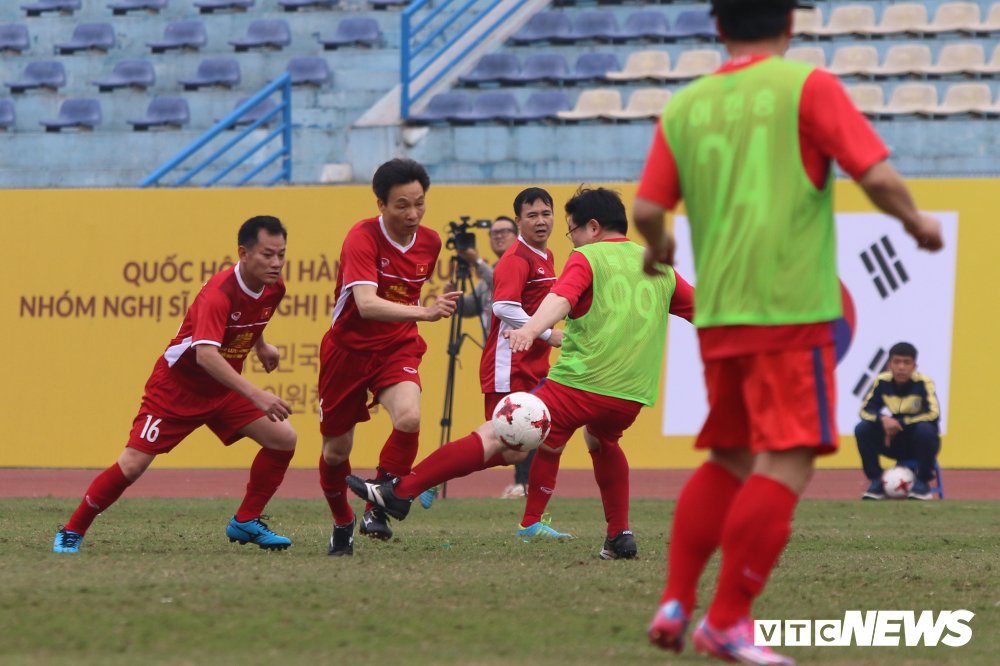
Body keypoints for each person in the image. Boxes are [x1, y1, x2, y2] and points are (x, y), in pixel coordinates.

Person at [632, 1, 945, 662]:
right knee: (791, 458)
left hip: (718, 316)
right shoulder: (807, 86)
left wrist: (658, 248)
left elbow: (648, 209)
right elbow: (877, 174)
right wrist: (918, 224)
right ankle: (727, 619)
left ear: (718, 28)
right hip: (788, 312)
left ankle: (676, 600)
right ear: (791, 26)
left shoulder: (686, 105)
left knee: (730, 457)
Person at [345, 187, 694, 560]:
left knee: (498, 432)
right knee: (601, 442)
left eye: (571, 229)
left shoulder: (587, 256)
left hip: (580, 383)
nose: (571, 238)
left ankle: (401, 491)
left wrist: (531, 330)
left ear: (592, 228)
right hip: (631, 394)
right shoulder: (659, 265)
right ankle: (619, 535)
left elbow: (559, 299)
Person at [53, 216, 298, 553]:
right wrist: (257, 395)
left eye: (281, 254)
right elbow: (206, 356)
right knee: (132, 464)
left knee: (283, 439)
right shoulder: (218, 293)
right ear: (243, 252)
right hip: (177, 389)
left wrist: (261, 346)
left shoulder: (275, 286)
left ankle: (245, 521)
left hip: (221, 389)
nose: (276, 263)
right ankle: (72, 529)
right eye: (267, 255)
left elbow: (251, 318)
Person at [318, 158, 461, 557]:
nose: (413, 214)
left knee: (410, 417)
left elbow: (409, 296)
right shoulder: (361, 238)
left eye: (419, 203)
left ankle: (376, 507)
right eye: (402, 205)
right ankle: (342, 521)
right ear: (380, 204)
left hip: (396, 346)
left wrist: (422, 312)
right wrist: (426, 312)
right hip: (347, 352)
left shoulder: (430, 242)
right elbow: (365, 304)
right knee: (335, 453)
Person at [856, 342, 941, 501]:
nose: (901, 367)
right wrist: (883, 419)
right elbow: (864, 411)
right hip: (892, 442)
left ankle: (922, 484)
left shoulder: (924, 383)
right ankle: (876, 482)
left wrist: (899, 423)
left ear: (914, 365)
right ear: (889, 365)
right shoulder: (882, 381)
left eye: (906, 363)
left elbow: (933, 414)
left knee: (926, 429)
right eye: (897, 362)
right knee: (862, 429)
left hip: (918, 443)